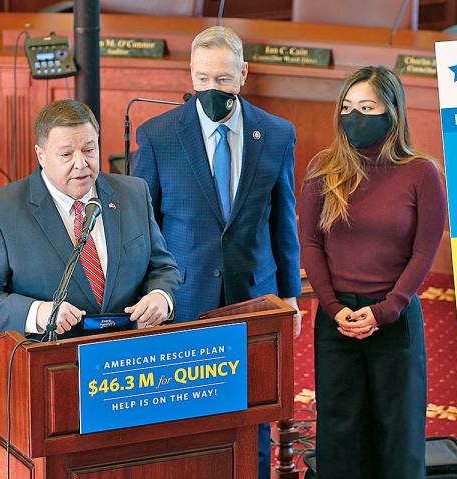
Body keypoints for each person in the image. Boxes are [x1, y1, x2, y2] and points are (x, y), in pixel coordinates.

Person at [132, 26, 301, 479]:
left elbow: (283, 221)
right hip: (183, 301)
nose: (212, 90)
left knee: (254, 415)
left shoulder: (278, 134)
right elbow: (141, 229)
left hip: (255, 300)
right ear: (190, 75)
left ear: (243, 74)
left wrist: (291, 297)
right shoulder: (157, 137)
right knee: (186, 422)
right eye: (202, 79)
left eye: (222, 80)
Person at [298, 65, 446, 479]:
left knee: (398, 439)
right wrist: (331, 306)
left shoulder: (421, 172)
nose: (354, 117)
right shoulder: (323, 167)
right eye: (347, 107)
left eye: (366, 107)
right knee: (341, 438)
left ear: (391, 114)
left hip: (394, 321)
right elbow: (310, 244)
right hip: (337, 322)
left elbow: (424, 250)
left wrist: (387, 309)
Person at [0, 100, 179, 337]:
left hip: (127, 353)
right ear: (41, 156)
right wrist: (37, 313)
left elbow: (162, 267)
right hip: (48, 357)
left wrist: (161, 296)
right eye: (66, 154)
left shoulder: (133, 193)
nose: (81, 164)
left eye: (89, 150)